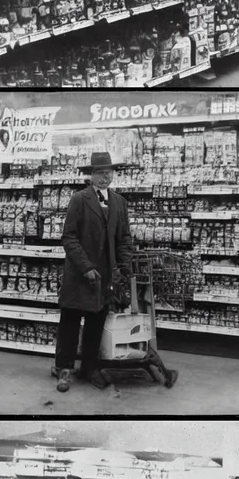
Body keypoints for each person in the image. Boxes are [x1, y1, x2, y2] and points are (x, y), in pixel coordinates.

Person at [55, 152, 135, 392]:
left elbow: (124, 239)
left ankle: (89, 369)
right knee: (70, 322)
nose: (105, 177)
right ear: (91, 175)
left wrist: (125, 268)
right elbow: (68, 237)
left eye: (108, 172)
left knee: (96, 323)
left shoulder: (119, 202)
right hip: (80, 274)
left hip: (105, 275)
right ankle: (64, 369)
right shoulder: (79, 199)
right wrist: (85, 266)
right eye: (100, 172)